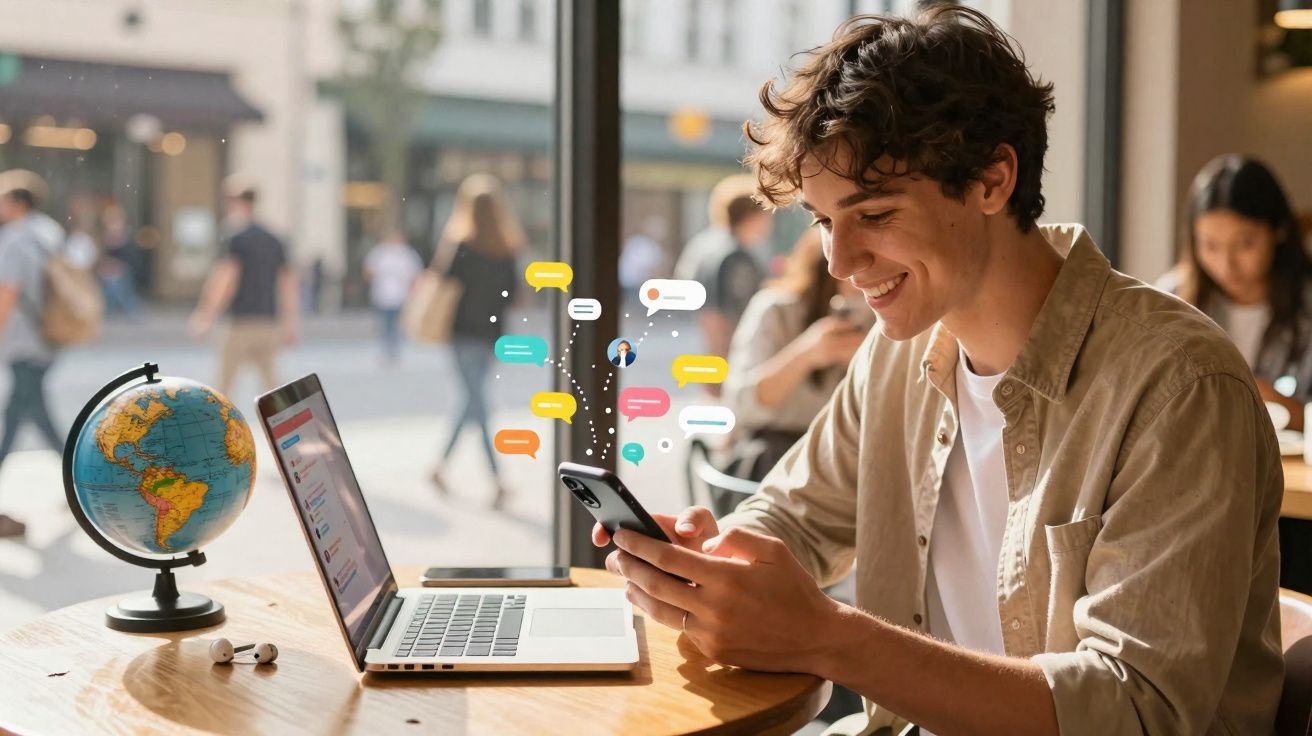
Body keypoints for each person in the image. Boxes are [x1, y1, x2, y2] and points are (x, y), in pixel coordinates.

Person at [593, 8, 1283, 735]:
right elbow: (795, 515)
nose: (840, 263)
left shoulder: (1179, 386)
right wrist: (717, 560)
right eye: (824, 222)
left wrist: (827, 636)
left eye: (874, 214)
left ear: (992, 179)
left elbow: (1136, 711)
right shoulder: (898, 352)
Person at [1157, 154, 1312, 595]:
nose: (1226, 263)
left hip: (1290, 501)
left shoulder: (1306, 304)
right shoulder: (1171, 300)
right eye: (1209, 245)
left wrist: (1264, 396)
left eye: (1244, 244)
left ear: (1277, 231)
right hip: (1198, 482)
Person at [719, 228, 869, 494]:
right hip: (772, 457)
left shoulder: (881, 315)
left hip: (847, 459)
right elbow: (740, 405)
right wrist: (807, 353)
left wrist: (866, 365)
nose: (860, 280)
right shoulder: (776, 309)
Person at [429, 174, 524, 509]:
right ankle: (494, 479)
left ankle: (444, 468)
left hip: (462, 334)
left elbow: (441, 279)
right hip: (491, 336)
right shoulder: (508, 250)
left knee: (473, 402)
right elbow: (513, 295)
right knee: (475, 401)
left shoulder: (461, 246)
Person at [0, 171, 69, 538]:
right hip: (49, 336)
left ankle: (82, 480)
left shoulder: (15, 240)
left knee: (17, 418)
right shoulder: (49, 233)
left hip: (23, 340)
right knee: (30, 414)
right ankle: (79, 481)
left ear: (17, 202)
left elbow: (8, 292)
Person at [189, 176, 298, 396]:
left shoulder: (235, 237)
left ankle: (219, 421)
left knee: (224, 389)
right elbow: (287, 282)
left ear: (233, 201)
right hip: (268, 322)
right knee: (273, 390)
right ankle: (286, 420)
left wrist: (206, 315)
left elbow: (227, 279)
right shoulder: (274, 238)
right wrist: (290, 323)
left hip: (239, 322)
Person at [674, 175, 774, 364]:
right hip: (727, 344)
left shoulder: (704, 244)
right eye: (766, 214)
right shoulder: (736, 257)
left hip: (700, 338)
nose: (769, 222)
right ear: (750, 216)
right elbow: (737, 309)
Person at [364, 229, 422, 364]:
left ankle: (395, 351)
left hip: (401, 296)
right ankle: (386, 351)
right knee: (384, 325)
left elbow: (415, 275)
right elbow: (368, 271)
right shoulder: (380, 252)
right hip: (382, 295)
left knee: (396, 325)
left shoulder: (407, 254)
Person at [97, 201, 141, 318]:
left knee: (122, 292)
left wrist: (116, 265)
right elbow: (105, 254)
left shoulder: (124, 236)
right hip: (110, 270)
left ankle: (130, 311)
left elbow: (128, 255)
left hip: (121, 269)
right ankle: (109, 311)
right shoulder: (108, 236)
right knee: (111, 292)